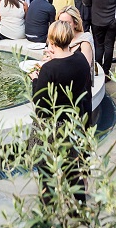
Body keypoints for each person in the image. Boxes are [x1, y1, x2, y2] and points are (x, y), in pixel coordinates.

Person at [31, 21, 94, 204]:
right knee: (72, 169)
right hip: (72, 121)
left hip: (51, 125)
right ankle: (80, 206)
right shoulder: (80, 59)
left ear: (51, 39)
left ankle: (49, 208)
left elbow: (39, 102)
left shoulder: (49, 69)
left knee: (46, 171)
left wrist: (35, 80)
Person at [57, 5, 96, 72]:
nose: (64, 26)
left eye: (67, 23)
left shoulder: (84, 40)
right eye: (61, 22)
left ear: (76, 23)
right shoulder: (57, 38)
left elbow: (85, 68)